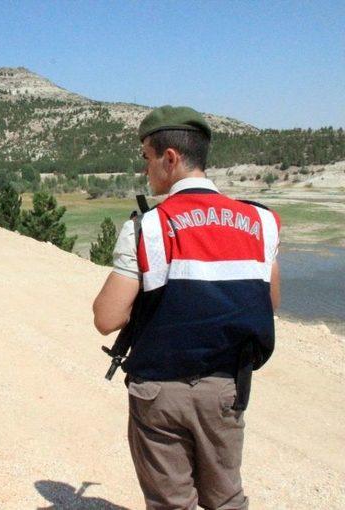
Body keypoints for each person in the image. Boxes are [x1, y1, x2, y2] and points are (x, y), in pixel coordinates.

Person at [92, 106, 281, 510]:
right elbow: (271, 302)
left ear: (170, 158)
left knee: (170, 502)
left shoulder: (147, 226)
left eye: (146, 158)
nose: (146, 170)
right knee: (227, 498)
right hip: (225, 390)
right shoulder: (261, 221)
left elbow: (107, 319)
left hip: (159, 392)